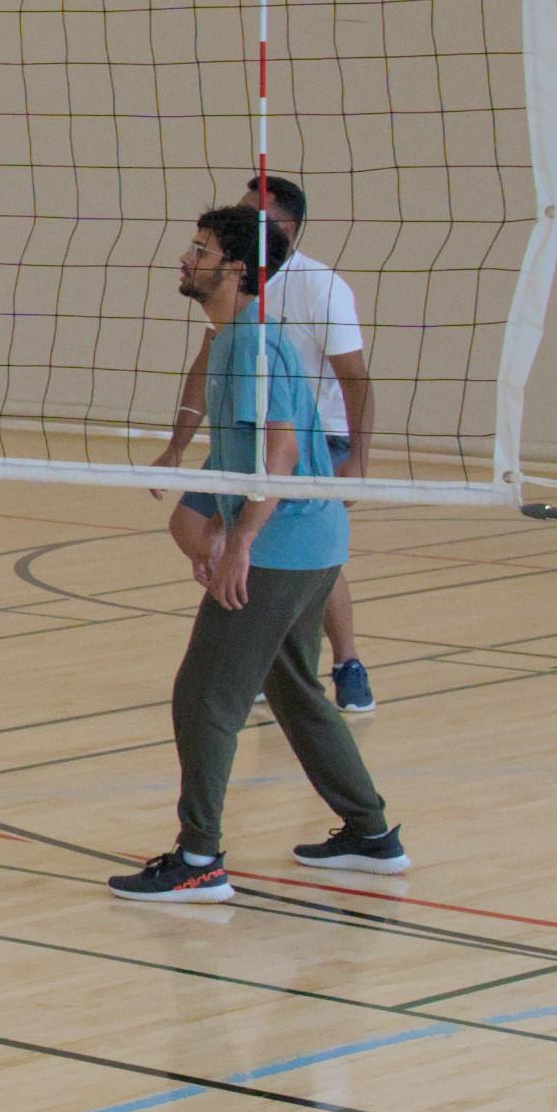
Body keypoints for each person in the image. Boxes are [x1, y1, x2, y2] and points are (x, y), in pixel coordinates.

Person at [113, 201, 407, 903]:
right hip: (310, 543)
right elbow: (243, 453)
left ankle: (199, 858)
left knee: (204, 696)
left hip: (283, 548)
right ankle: (371, 834)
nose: (187, 258)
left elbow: (280, 449)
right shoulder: (232, 340)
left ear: (237, 270)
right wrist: (202, 523)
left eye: (201, 249)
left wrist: (240, 539)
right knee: (296, 689)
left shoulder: (252, 344)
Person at [150, 173, 386, 714]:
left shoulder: (320, 288)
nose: (244, 221)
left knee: (301, 551)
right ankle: (263, 642)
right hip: (246, 430)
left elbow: (356, 380)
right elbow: (205, 365)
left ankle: (347, 661)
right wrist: (178, 446)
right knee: (190, 522)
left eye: (256, 215)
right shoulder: (231, 292)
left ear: (286, 228)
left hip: (311, 434)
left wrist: (358, 457)